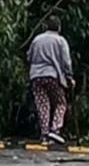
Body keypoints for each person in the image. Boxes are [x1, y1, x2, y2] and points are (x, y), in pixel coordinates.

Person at [27, 15, 74, 145]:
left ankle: (44, 135)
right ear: (59, 27)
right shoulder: (60, 41)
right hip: (52, 75)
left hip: (36, 76)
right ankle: (55, 129)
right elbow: (66, 61)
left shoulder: (37, 40)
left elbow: (29, 56)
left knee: (43, 105)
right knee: (60, 103)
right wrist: (69, 77)